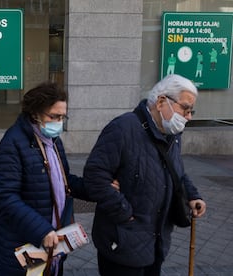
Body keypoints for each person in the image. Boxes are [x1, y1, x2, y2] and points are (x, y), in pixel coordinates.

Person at [83, 74, 206, 276]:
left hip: (156, 243)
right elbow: (95, 175)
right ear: (161, 102)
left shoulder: (172, 134)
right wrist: (124, 213)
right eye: (185, 108)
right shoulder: (123, 128)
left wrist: (193, 195)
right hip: (122, 242)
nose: (189, 116)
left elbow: (177, 171)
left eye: (191, 110)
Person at [0, 82, 89, 275]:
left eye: (62, 117)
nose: (59, 122)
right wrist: (42, 230)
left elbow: (64, 180)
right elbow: (5, 197)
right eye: (54, 116)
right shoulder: (12, 143)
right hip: (23, 248)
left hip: (53, 247)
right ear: (35, 113)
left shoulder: (52, 141)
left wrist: (96, 188)